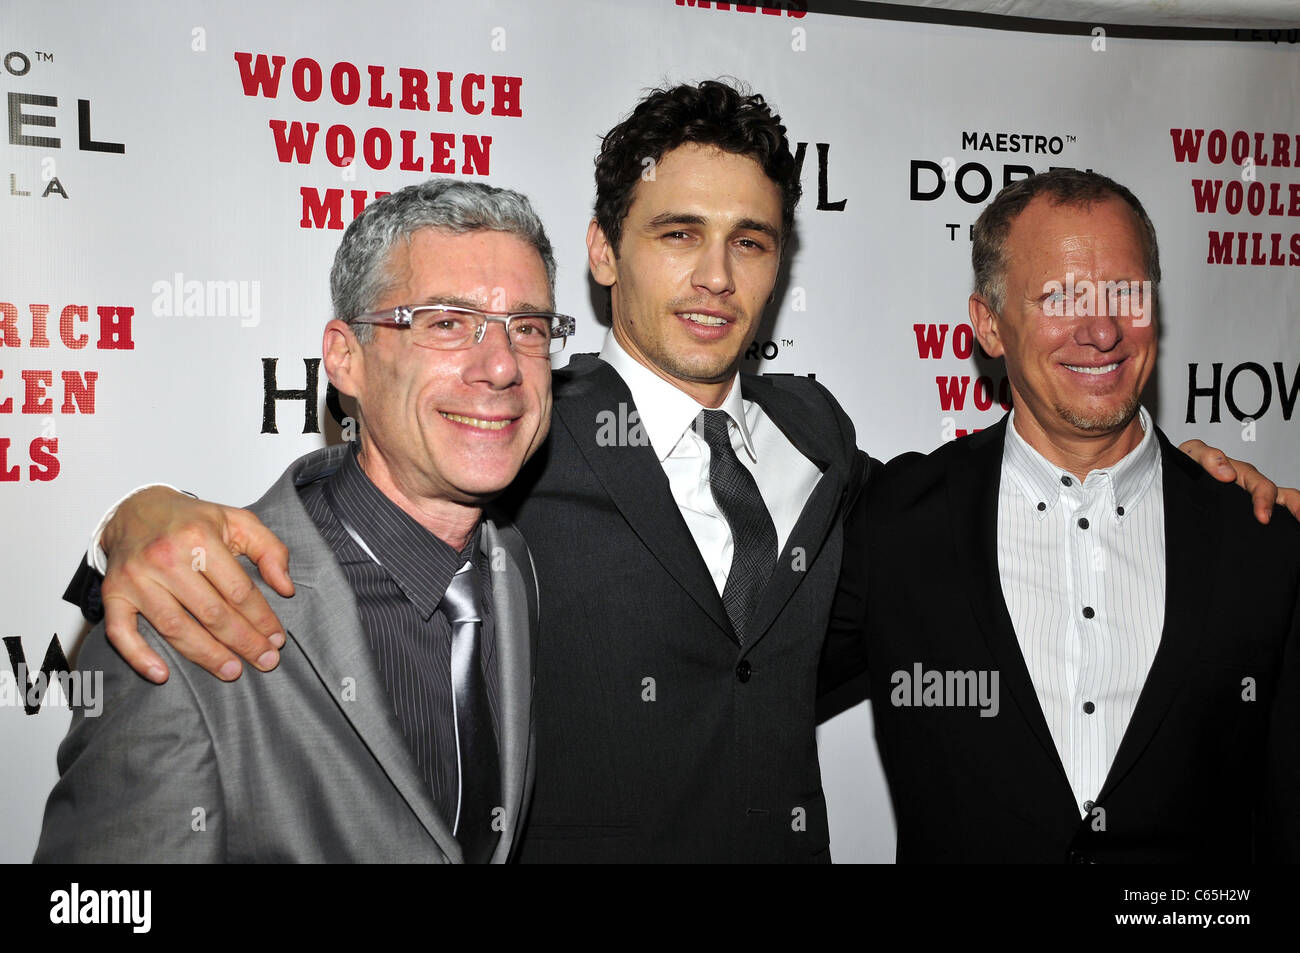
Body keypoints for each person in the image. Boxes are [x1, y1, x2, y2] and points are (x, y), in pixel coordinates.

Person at [64, 83, 1295, 863]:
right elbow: (332, 519)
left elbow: (1000, 507)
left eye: (748, 241)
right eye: (675, 234)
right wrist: (142, 518)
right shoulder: (513, 432)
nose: (714, 277)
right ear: (603, 256)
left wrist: (1163, 471)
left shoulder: (820, 437)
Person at [36, 179, 570, 862]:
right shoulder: (188, 612)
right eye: (445, 322)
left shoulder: (511, 564)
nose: (500, 366)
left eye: (527, 328)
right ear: (346, 358)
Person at [827, 168, 1300, 862]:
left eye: (1125, 293)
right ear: (989, 326)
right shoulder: (892, 524)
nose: (1102, 328)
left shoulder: (1259, 538)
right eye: (1059, 296)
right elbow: (727, 678)